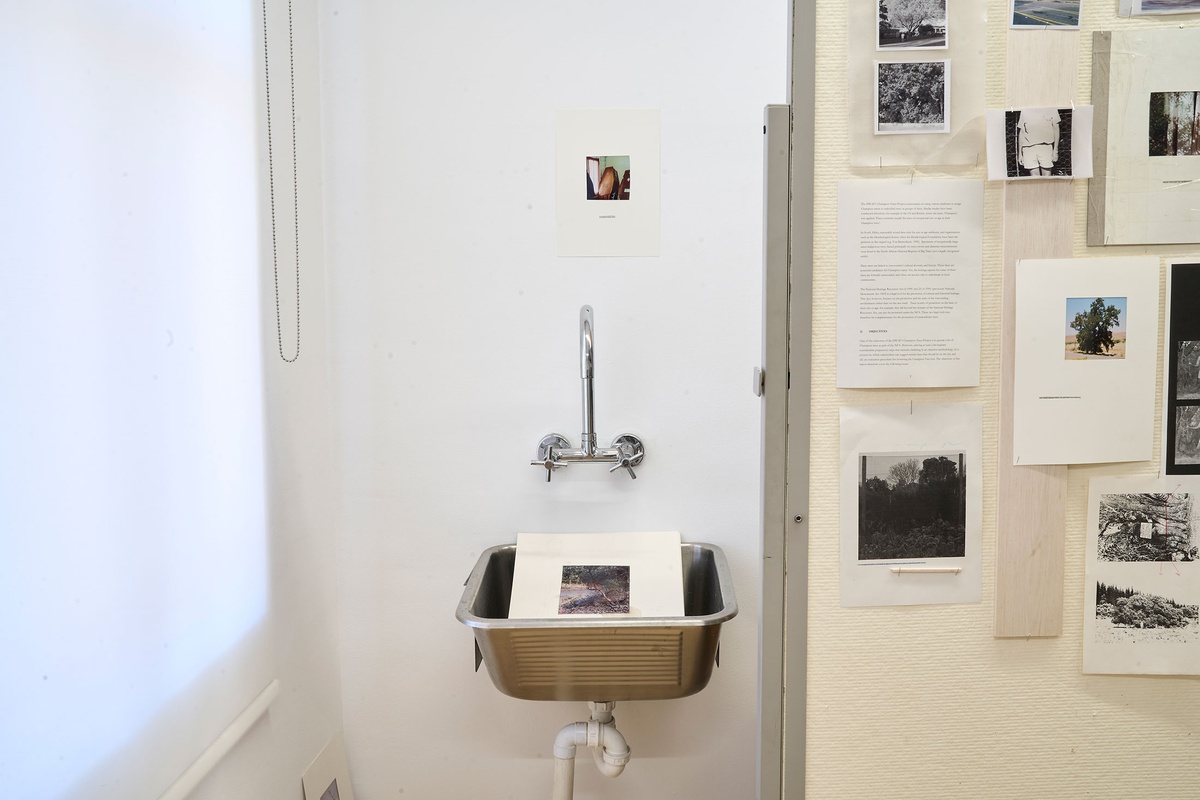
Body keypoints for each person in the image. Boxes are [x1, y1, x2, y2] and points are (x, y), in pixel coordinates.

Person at [1016, 109, 1060, 176]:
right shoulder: (1025, 110)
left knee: (1047, 177)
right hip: (1028, 148)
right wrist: (1020, 154)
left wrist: (1055, 150)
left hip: (1045, 147)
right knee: (1034, 178)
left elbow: (1056, 128)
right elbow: (1022, 132)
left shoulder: (1052, 109)